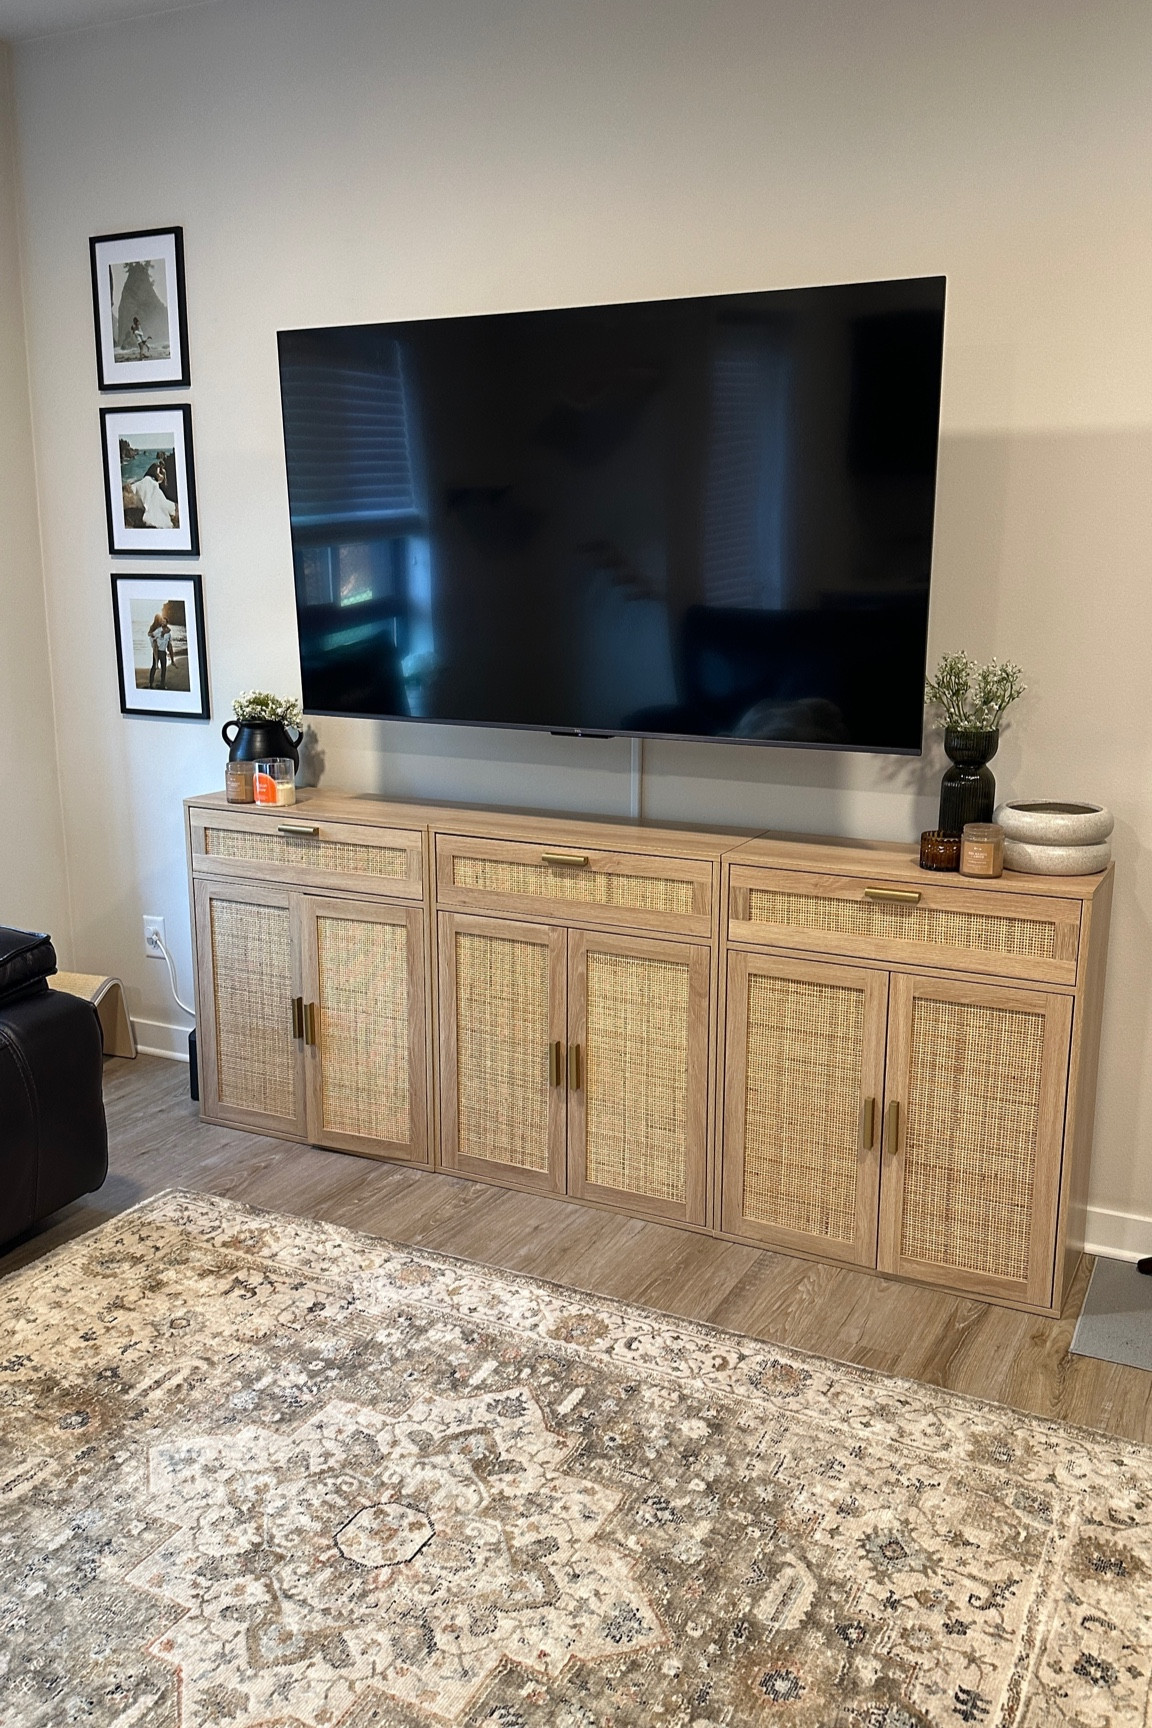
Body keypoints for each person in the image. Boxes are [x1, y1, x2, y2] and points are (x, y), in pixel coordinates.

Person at [132, 460, 177, 530]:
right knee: (153, 488)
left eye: (162, 465)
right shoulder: (157, 468)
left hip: (155, 483)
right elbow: (157, 476)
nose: (161, 466)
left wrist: (162, 478)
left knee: (156, 491)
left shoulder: (162, 471)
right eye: (161, 465)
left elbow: (162, 480)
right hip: (151, 481)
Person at [147, 613, 173, 688]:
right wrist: (153, 635)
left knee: (164, 668)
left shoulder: (168, 632)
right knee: (154, 667)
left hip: (163, 652)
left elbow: (169, 642)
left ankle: (162, 684)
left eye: (163, 621)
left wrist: (170, 651)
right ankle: (151, 683)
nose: (162, 622)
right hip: (157, 651)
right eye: (161, 621)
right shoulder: (157, 629)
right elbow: (151, 634)